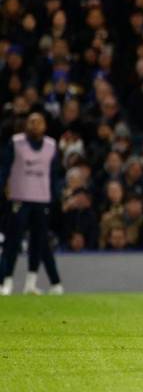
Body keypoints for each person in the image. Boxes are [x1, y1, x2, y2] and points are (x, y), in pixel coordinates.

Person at [0, 112, 64, 295]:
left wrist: (54, 198)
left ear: (44, 125)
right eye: (31, 122)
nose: (35, 125)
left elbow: (53, 175)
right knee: (12, 241)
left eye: (39, 122)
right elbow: (5, 168)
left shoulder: (51, 146)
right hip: (20, 197)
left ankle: (31, 283)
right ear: (26, 124)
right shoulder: (16, 142)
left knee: (38, 242)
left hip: (42, 199)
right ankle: (6, 282)